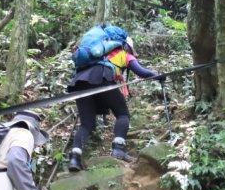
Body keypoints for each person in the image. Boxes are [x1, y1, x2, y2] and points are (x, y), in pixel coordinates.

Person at [67, 33, 162, 171]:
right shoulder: (124, 54)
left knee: (86, 125)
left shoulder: (97, 55)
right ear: (127, 47)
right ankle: (119, 148)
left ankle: (74, 158)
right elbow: (141, 72)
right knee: (122, 114)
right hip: (102, 79)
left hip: (80, 82)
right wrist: (157, 75)